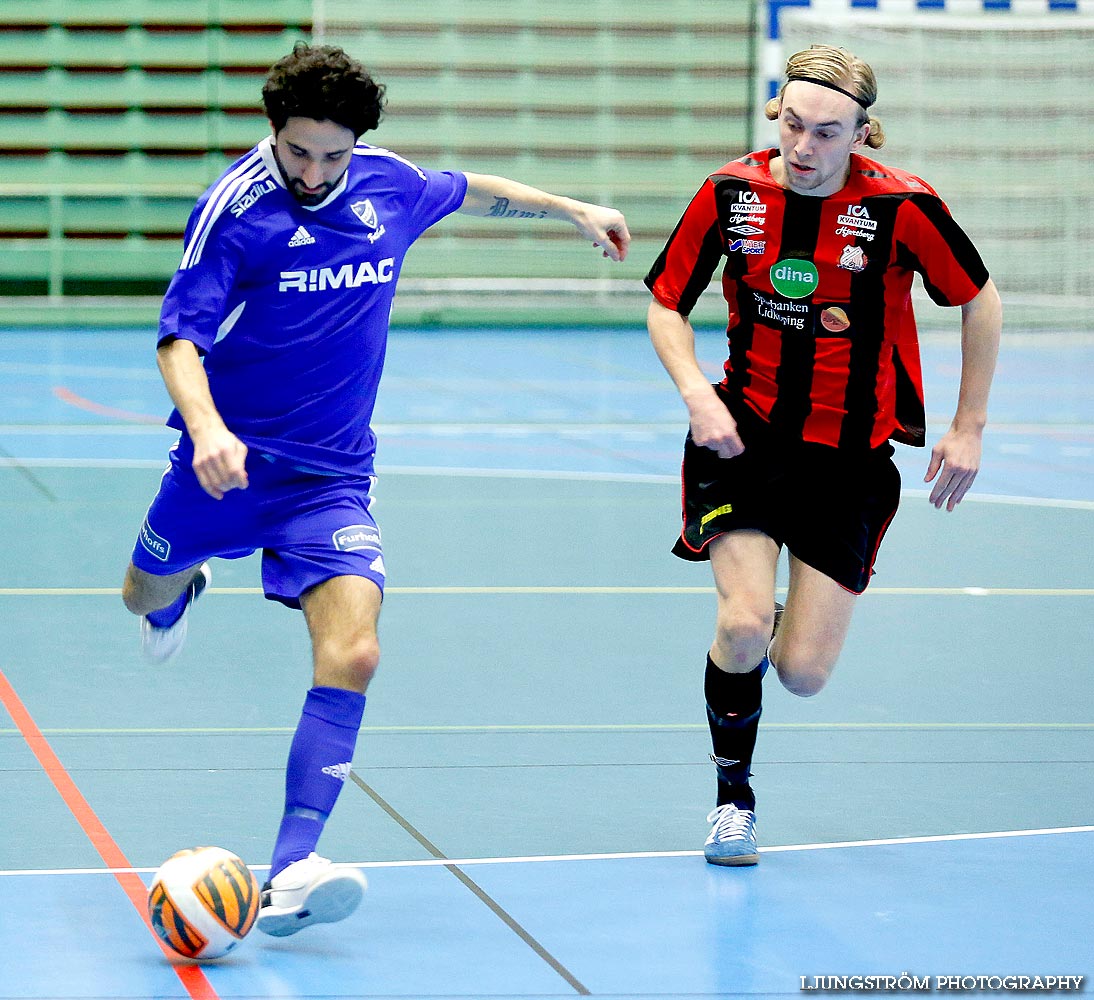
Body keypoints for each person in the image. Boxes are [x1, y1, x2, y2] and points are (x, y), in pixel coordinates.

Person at [121, 42, 630, 936]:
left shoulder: (387, 184)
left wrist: (572, 209)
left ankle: (292, 868)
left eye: (333, 155)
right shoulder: (234, 213)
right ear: (272, 132)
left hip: (332, 477)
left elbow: (476, 188)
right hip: (229, 464)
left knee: (355, 653)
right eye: (298, 152)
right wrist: (205, 430)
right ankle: (177, 593)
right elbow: (178, 337)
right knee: (142, 590)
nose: (315, 172)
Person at [644, 44, 1001, 866]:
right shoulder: (731, 194)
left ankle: (779, 625)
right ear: (777, 115)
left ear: (862, 134)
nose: (805, 149)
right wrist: (698, 392)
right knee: (738, 628)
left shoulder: (902, 207)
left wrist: (969, 424)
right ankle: (734, 801)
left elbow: (979, 300)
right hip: (741, 438)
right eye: (794, 126)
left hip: (850, 462)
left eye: (828, 133)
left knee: (801, 672)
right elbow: (666, 303)